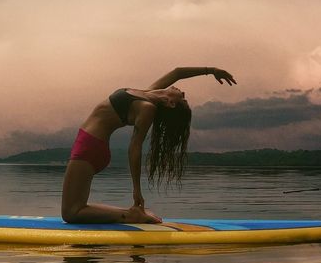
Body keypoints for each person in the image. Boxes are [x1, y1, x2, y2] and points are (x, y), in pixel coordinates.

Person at [61, 66, 237, 225]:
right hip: (90, 144)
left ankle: (131, 216)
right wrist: (211, 70)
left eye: (183, 99)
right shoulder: (148, 93)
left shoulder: (147, 108)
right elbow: (177, 72)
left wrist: (136, 190)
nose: (183, 93)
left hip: (90, 147)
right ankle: (132, 214)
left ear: (171, 103)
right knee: (76, 207)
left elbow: (134, 148)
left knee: (71, 213)